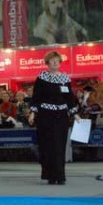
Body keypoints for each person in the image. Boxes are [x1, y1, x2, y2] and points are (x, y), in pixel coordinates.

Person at [28, 51, 80, 185]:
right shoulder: (42, 77)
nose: (55, 62)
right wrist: (33, 113)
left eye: (57, 60)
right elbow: (36, 97)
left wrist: (75, 114)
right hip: (45, 116)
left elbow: (70, 99)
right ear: (47, 63)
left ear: (60, 62)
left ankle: (60, 176)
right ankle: (50, 175)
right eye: (52, 60)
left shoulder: (65, 79)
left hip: (61, 116)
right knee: (47, 146)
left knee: (60, 146)